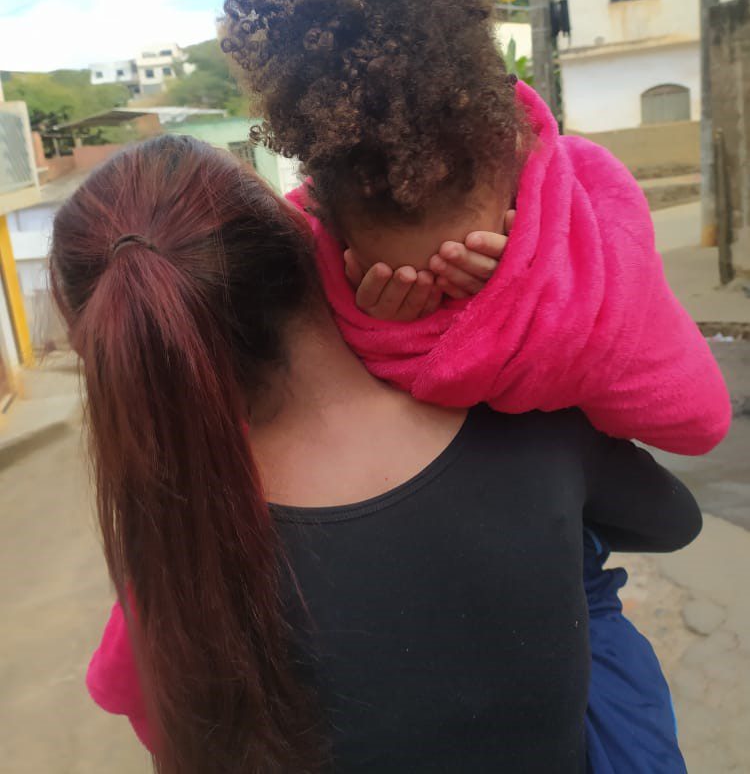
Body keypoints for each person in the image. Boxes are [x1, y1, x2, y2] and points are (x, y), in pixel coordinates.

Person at [220, 0, 732, 772]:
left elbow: (695, 415)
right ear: (328, 230)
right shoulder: (296, 297)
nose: (445, 302)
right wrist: (376, 336)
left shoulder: (584, 223)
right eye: (409, 285)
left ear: (517, 164)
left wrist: (527, 297)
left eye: (468, 271)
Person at [52, 135, 702, 774]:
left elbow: (136, 700)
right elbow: (671, 521)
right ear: (302, 238)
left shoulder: (181, 549)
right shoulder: (523, 415)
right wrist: (497, 315)